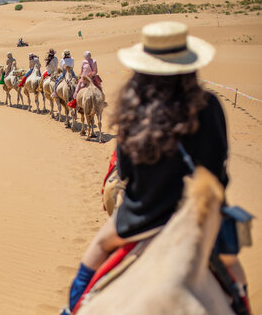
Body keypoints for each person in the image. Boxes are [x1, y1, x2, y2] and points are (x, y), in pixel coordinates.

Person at [63, 21, 248, 313]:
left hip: (141, 219)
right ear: (189, 63)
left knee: (93, 256)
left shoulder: (133, 108)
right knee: (234, 272)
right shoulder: (210, 105)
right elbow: (219, 168)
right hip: (200, 218)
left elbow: (124, 174)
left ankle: (72, 308)